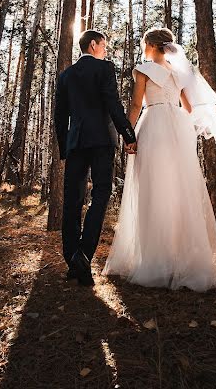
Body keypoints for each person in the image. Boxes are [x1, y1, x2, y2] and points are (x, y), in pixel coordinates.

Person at [103, 27, 216, 292]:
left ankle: (154, 260)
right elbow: (190, 108)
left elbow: (137, 105)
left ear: (150, 44)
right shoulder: (179, 71)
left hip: (154, 125)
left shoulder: (144, 70)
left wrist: (128, 134)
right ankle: (179, 258)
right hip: (177, 129)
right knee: (178, 190)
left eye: (143, 42)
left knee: (152, 188)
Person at [53, 29, 136, 286]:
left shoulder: (65, 75)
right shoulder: (104, 69)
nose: (106, 49)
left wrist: (64, 147)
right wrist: (128, 133)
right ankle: (84, 255)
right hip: (101, 141)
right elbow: (113, 104)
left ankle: (73, 259)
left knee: (72, 201)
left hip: (76, 142)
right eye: (104, 45)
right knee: (101, 194)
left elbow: (60, 116)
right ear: (93, 45)